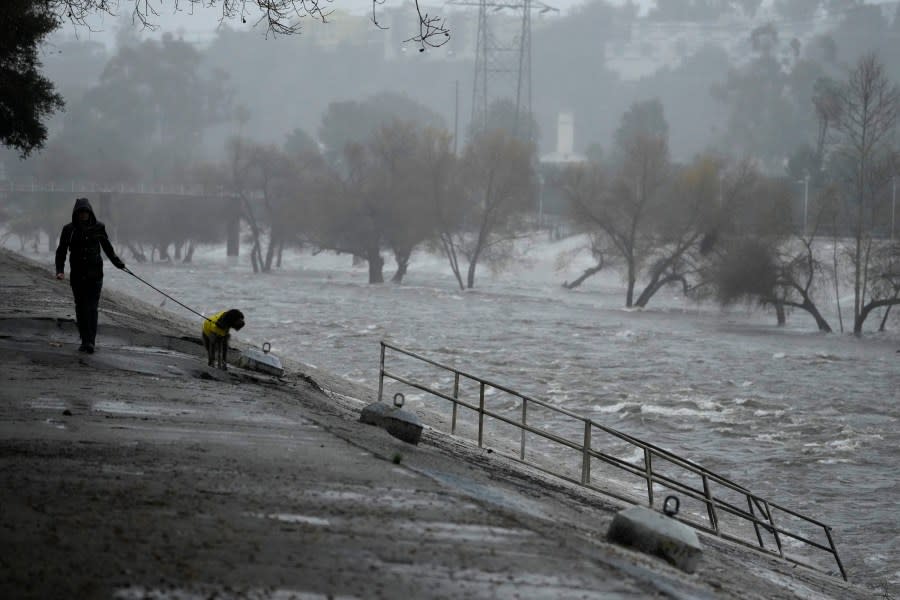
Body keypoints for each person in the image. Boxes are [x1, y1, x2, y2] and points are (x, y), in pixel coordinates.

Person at [55, 197, 125, 353]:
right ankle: (84, 339)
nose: (83, 215)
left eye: (86, 212)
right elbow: (61, 251)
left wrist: (118, 263)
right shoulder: (69, 230)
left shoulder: (99, 227)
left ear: (90, 212)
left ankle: (90, 342)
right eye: (80, 212)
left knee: (92, 308)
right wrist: (59, 270)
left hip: (95, 275)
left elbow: (107, 247)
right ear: (76, 213)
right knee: (81, 308)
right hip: (77, 275)